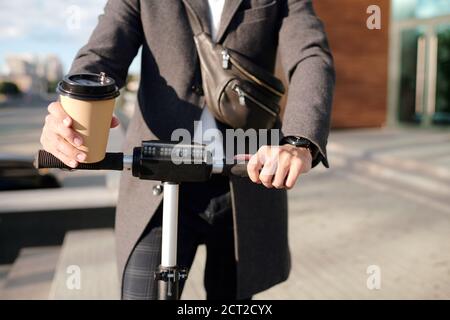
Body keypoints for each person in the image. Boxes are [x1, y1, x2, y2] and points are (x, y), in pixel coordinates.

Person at [40, 0, 335, 300]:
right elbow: (102, 56)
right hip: (159, 178)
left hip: (246, 177)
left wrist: (299, 142)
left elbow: (310, 53)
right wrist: (70, 116)